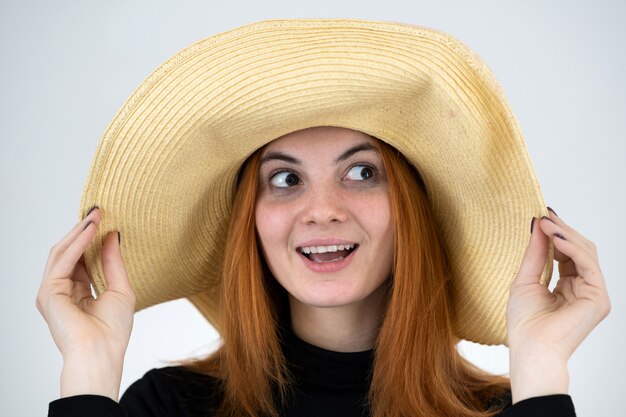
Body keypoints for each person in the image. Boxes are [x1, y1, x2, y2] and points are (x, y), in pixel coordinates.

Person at [37, 19, 610, 417]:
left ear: (412, 208)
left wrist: (540, 366)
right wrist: (89, 368)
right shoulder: (169, 408)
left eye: (362, 172)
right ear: (251, 223)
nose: (322, 211)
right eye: (285, 179)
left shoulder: (513, 411)